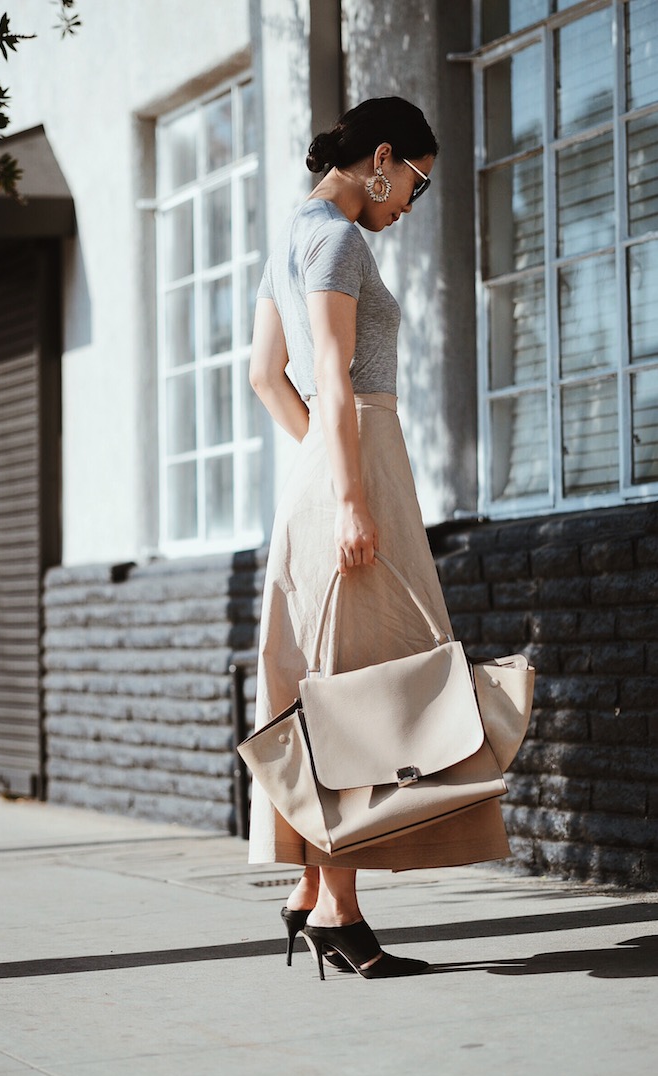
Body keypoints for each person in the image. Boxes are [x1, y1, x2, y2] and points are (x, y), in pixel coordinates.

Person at [247, 97, 510, 980]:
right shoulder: (339, 237)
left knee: (327, 673)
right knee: (364, 679)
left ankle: (310, 893)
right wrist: (350, 492)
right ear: (382, 158)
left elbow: (260, 377)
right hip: (358, 461)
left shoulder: (293, 233)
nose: (409, 207)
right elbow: (323, 369)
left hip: (332, 464)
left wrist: (324, 466)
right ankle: (340, 911)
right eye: (417, 187)